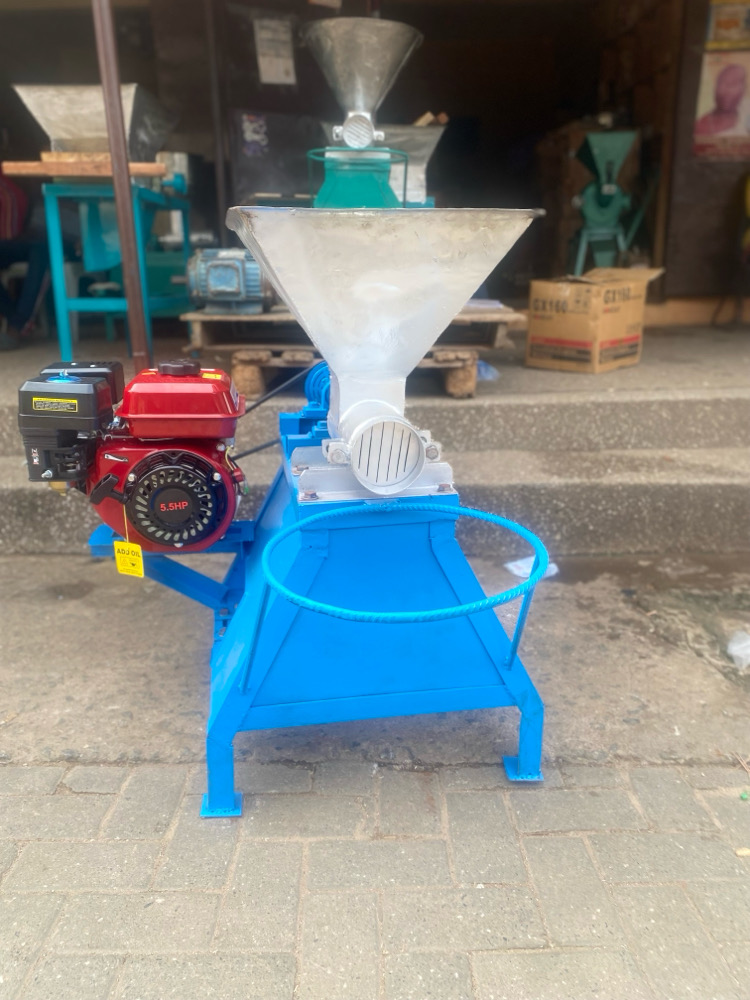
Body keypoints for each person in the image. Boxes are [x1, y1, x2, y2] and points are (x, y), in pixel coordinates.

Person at [0, 168, 48, 350]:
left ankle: (17, 326)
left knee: (42, 249)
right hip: (23, 241)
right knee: (39, 245)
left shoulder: (10, 191)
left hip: (48, 243)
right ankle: (15, 318)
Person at [695, 62, 748, 136]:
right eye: (720, 83)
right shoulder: (701, 126)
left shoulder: (746, 112)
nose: (723, 90)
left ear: (743, 88)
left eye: (732, 84)